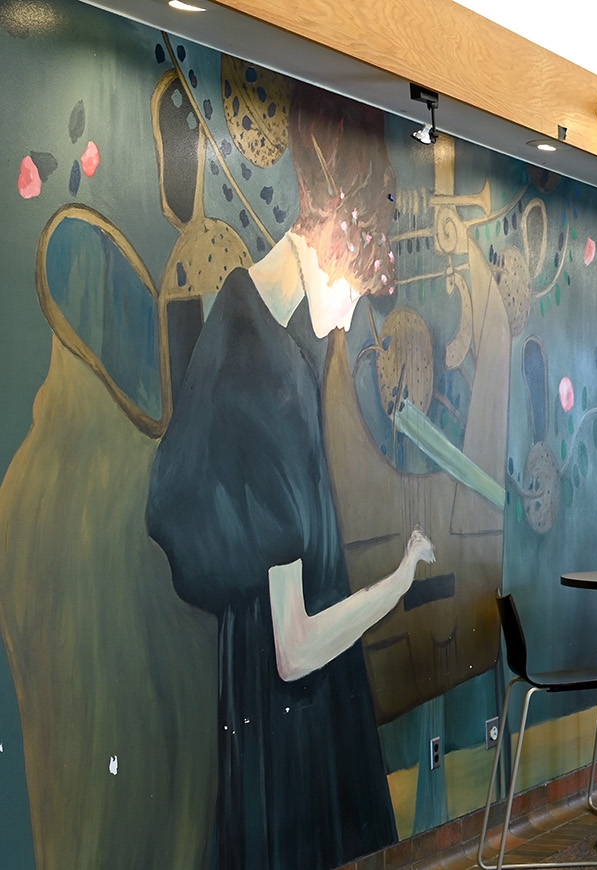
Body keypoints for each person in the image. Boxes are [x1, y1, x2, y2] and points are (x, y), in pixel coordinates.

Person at [146, 81, 432, 870]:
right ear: (331, 236)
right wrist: (396, 583)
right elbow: (295, 647)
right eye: (351, 289)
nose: (348, 317)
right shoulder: (257, 369)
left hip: (280, 737)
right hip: (285, 735)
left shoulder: (264, 342)